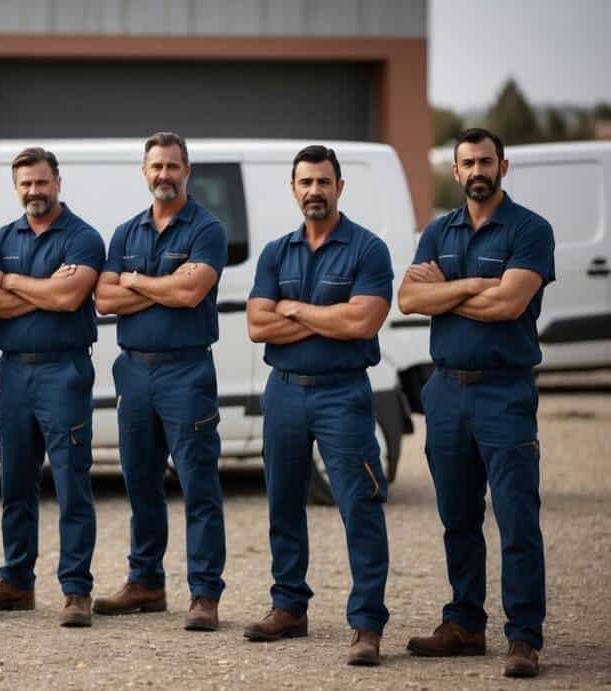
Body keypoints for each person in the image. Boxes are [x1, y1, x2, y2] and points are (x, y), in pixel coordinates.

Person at [399, 128, 553, 679]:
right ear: (456, 171)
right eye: (467, 163)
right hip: (444, 390)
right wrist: (474, 287)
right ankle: (464, 622)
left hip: (503, 390)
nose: (477, 170)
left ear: (503, 167)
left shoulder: (531, 230)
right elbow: (409, 297)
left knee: (516, 516)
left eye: (486, 161)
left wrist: (451, 287)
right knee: (457, 517)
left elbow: (510, 304)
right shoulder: (438, 230)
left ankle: (523, 636)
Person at [244, 145, 393, 666]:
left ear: (339, 187)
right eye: (305, 182)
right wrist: (325, 314)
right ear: (293, 189)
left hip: (342, 392)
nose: (314, 190)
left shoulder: (367, 250)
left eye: (323, 182)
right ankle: (289, 607)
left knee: (359, 505)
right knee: (283, 501)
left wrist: (294, 308)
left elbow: (360, 323)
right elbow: (257, 325)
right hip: (283, 389)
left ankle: (367, 624)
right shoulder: (274, 252)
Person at [92, 131, 228, 631]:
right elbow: (104, 300)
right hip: (134, 369)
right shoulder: (126, 233)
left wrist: (134, 281)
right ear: (144, 172)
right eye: (156, 168)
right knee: (140, 482)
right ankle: (145, 582)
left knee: (198, 482)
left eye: (173, 167)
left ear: (186, 171)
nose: (164, 176)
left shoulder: (207, 228)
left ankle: (204, 593)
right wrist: (160, 287)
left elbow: (191, 293)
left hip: (186, 369)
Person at [0, 147, 104, 627]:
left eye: (42, 182)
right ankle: (16, 581)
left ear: (58, 182)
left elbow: (70, 296)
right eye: (26, 184)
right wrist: (41, 291)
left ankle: (75, 589)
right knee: (15, 482)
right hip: (12, 372)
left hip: (63, 372)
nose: (35, 190)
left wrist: (14, 283)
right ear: (16, 188)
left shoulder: (83, 237)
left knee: (72, 482)